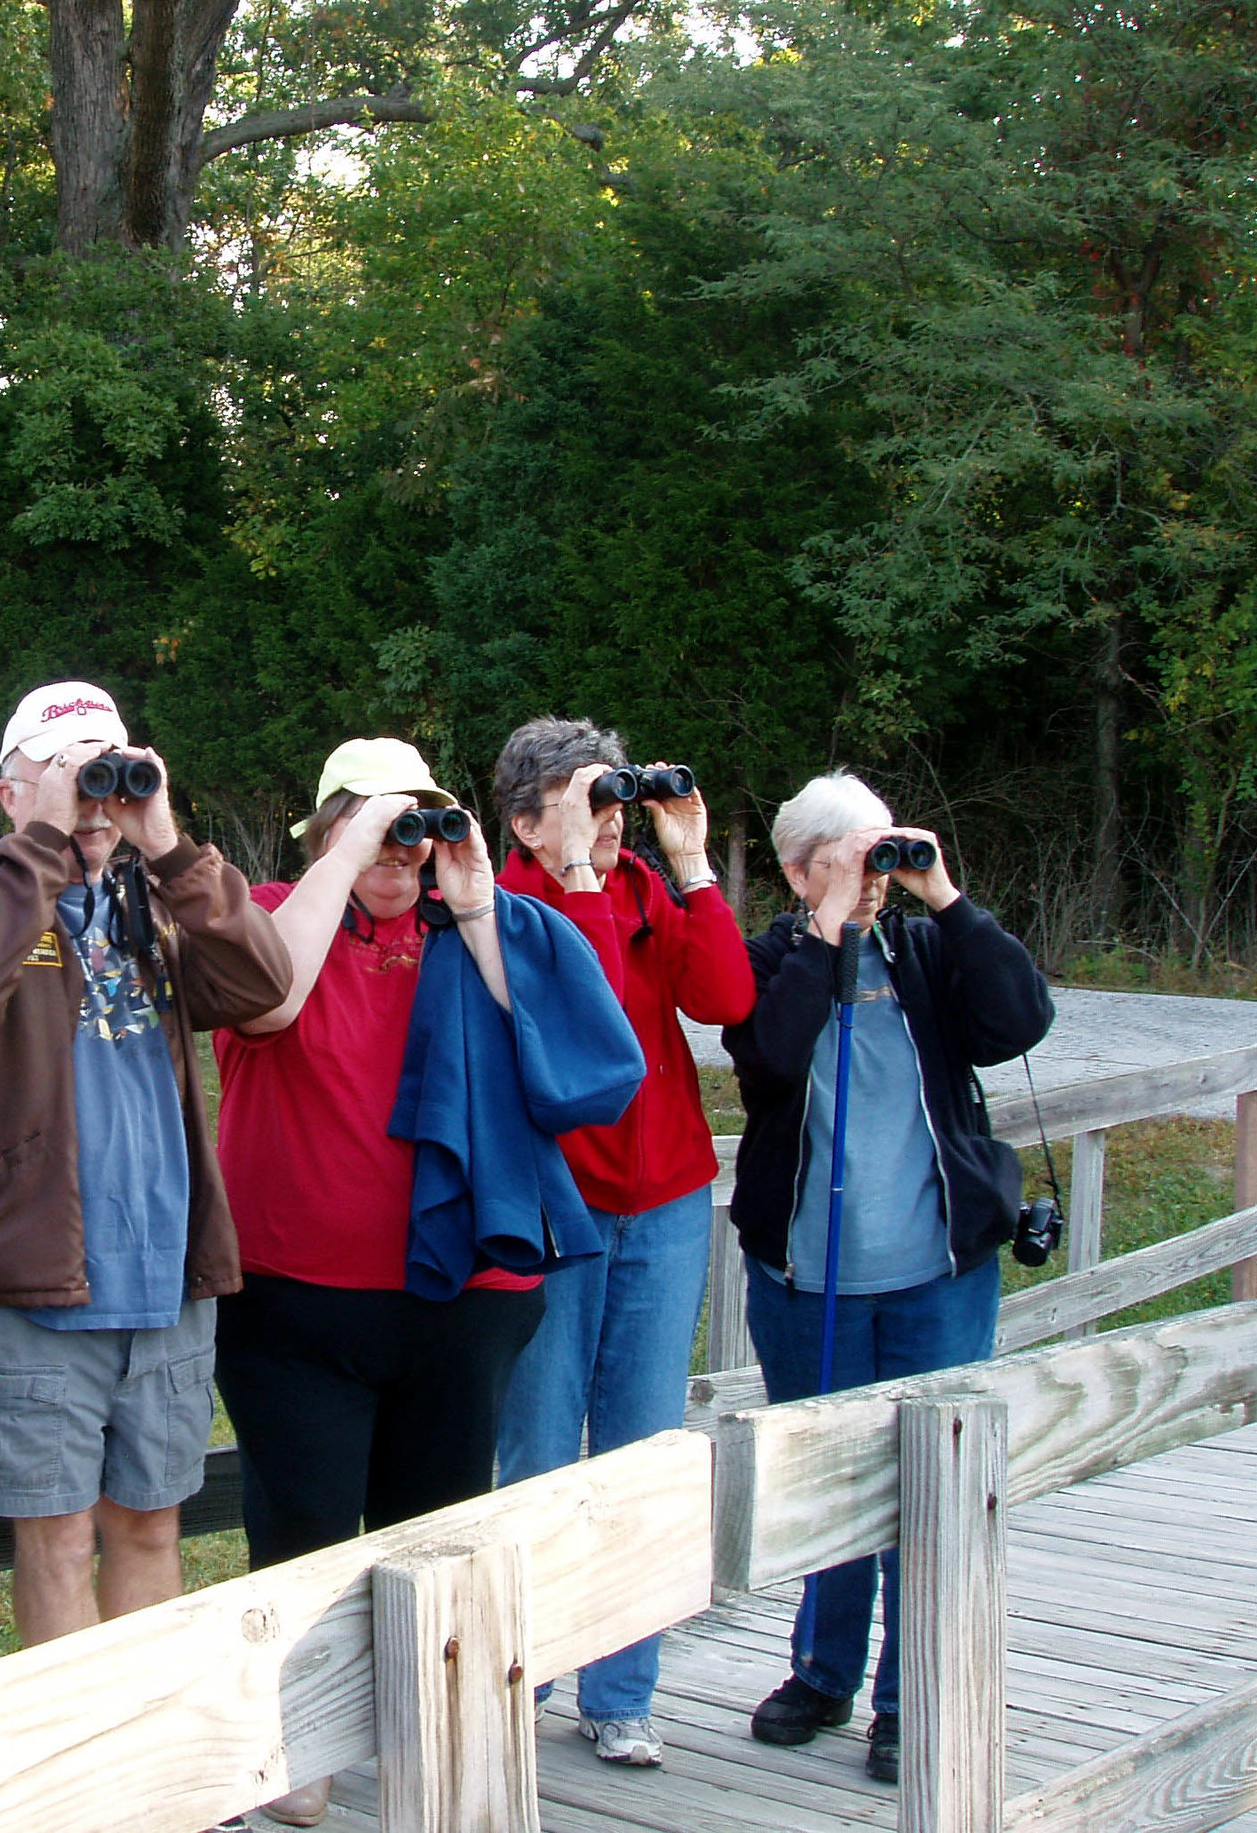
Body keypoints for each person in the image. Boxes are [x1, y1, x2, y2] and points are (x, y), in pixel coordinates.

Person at [213, 737, 640, 1829]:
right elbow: (264, 999)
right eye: (370, 824)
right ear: (321, 831)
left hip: (462, 1301)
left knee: (431, 1534)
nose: (400, 848)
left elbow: (572, 1055)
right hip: (294, 1294)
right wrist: (350, 844)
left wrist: (477, 901)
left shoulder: (493, 932)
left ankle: (414, 1730)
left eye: (418, 823)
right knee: (301, 1527)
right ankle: (299, 1740)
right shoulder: (270, 912)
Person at [0, 681, 291, 1666]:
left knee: (151, 1527)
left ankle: (148, 1775)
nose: (95, 796)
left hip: (162, 1281)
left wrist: (166, 840)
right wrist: (45, 849)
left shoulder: (159, 900)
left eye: (108, 767)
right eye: (66, 772)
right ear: (10, 795)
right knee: (51, 1540)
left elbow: (262, 986)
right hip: (36, 1282)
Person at [727, 771, 1052, 1784]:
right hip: (805, 1280)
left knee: (930, 1487)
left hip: (935, 1274)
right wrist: (825, 933)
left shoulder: (924, 949)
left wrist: (945, 896)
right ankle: (824, 1672)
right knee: (828, 1487)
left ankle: (908, 1699)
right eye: (853, 856)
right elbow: (769, 1058)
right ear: (796, 868)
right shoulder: (769, 960)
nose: (876, 874)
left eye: (886, 851)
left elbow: (1017, 1021)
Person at [490, 717, 755, 1768]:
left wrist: (687, 865)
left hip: (664, 1195)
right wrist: (578, 880)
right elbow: (592, 1015)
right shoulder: (497, 897)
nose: (612, 823)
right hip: (558, 1204)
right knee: (543, 1450)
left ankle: (621, 1689)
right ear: (527, 815)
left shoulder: (643, 883)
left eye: (616, 801)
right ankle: (528, 1668)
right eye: (589, 802)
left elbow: (725, 999)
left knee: (644, 1450)